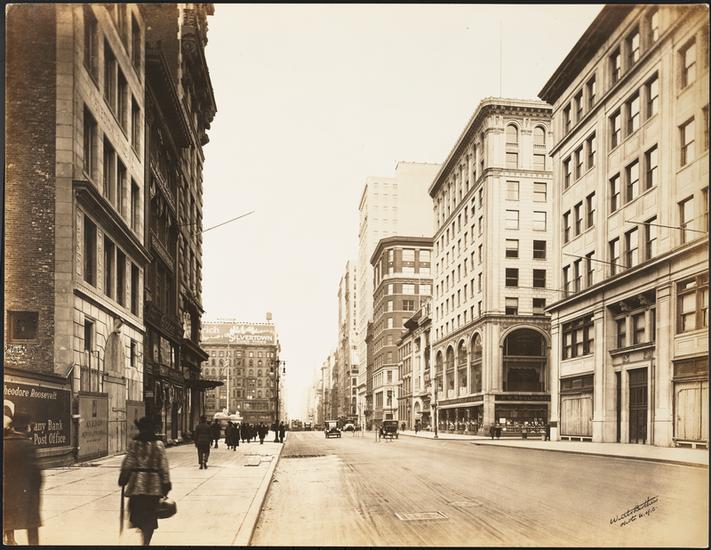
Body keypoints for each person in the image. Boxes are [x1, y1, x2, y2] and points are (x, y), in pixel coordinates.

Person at [119, 417, 171, 546]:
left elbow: (128, 462)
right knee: (150, 517)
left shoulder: (134, 444)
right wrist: (166, 483)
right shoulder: (158, 445)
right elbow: (163, 465)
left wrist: (124, 477)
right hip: (154, 487)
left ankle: (142, 531)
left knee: (138, 513)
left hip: (137, 485)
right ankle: (146, 541)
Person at [3, 413, 42, 546]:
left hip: (7, 491)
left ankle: (9, 540)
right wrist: (36, 490)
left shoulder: (4, 444)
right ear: (27, 427)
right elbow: (36, 472)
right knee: (32, 524)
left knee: (8, 519)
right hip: (27, 493)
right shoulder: (28, 445)